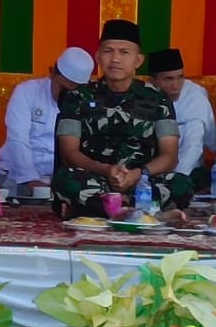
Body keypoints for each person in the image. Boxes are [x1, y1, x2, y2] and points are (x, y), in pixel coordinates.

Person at [52, 19, 193, 218]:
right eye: (108, 51)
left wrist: (139, 174)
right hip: (95, 178)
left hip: (141, 181)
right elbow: (69, 153)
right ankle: (140, 211)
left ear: (138, 60)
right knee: (64, 179)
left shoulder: (158, 98)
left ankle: (108, 209)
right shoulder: (77, 97)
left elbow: (170, 156)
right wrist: (105, 170)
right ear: (98, 56)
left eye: (124, 52)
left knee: (182, 184)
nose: (115, 59)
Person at [0, 46, 94, 193]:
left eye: (73, 92)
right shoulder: (26, 92)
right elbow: (18, 139)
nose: (67, 96)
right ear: (52, 72)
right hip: (18, 176)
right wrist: (31, 179)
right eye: (63, 89)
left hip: (65, 179)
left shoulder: (87, 103)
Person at [147, 48, 216, 187]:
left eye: (180, 77)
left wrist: (175, 180)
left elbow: (194, 145)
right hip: (150, 170)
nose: (176, 85)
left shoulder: (195, 98)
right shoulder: (143, 95)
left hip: (187, 171)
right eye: (169, 79)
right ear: (153, 81)